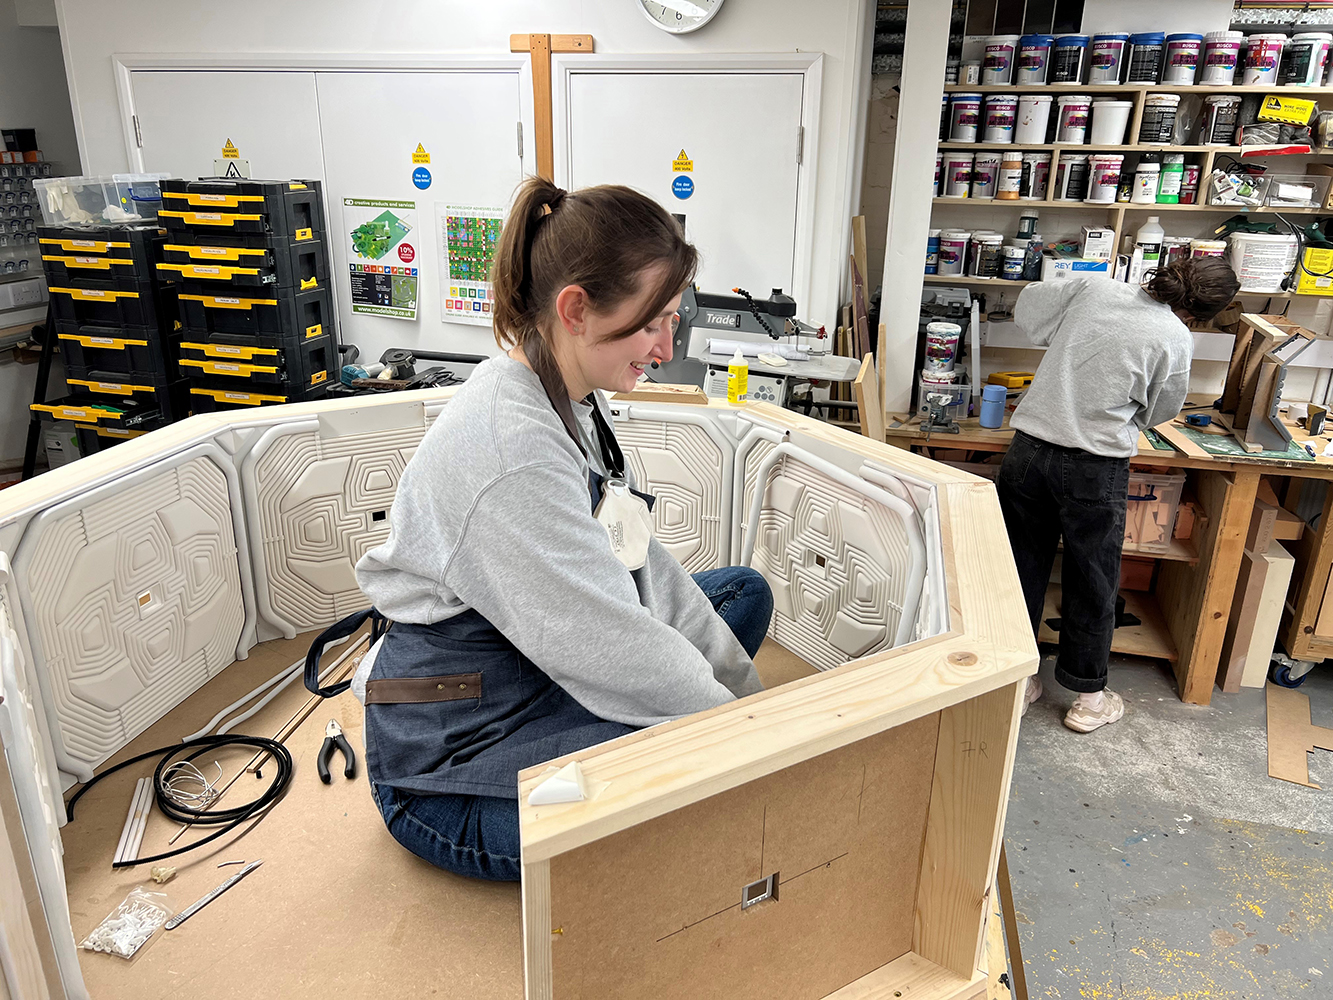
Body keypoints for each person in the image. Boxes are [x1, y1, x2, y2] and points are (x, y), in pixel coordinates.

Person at [350, 177, 772, 881]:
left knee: (738, 597)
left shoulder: (569, 394)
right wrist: (746, 752)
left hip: (538, 664)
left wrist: (750, 715)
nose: (666, 347)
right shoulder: (509, 449)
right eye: (650, 323)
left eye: (673, 318)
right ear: (576, 309)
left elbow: (638, 560)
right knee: (693, 815)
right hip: (446, 764)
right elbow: (607, 642)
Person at [998, 257, 1239, 733]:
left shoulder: (1097, 289)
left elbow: (1028, 308)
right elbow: (1158, 410)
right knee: (1093, 576)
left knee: (1017, 566)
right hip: (1094, 463)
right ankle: (1088, 698)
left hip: (1028, 450)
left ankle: (1018, 680)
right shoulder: (1174, 338)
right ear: (1206, 310)